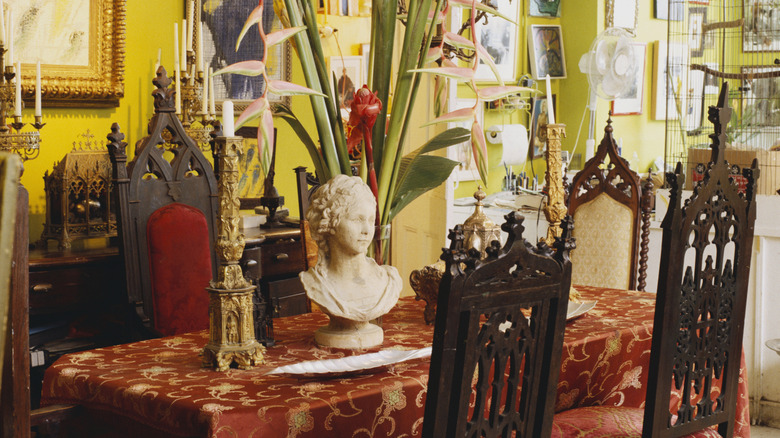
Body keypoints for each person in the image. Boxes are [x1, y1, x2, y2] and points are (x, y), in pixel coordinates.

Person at [300, 175, 401, 327]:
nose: (367, 230)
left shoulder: (389, 280)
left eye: (371, 220)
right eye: (357, 220)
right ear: (330, 223)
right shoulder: (315, 283)